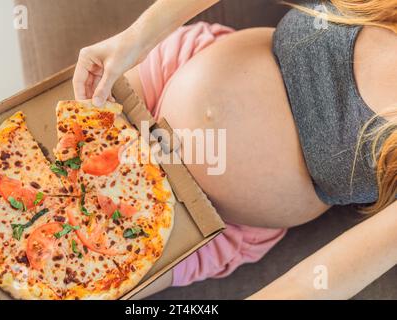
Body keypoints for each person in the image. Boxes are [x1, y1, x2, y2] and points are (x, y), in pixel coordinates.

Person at [72, 0, 397, 299]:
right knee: (49, 181)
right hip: (168, 73)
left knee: (78, 287)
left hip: (210, 226)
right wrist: (137, 39)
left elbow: (316, 281)